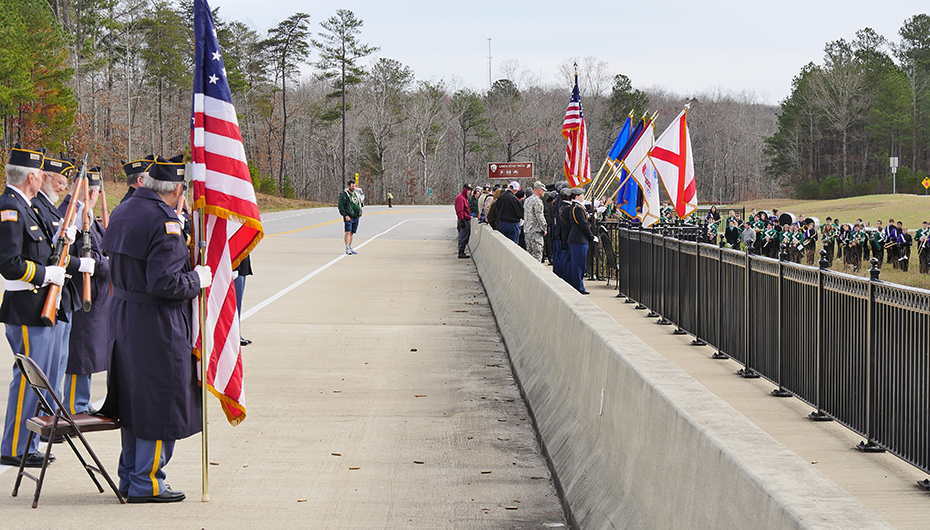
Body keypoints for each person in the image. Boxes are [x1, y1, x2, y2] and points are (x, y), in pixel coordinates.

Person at [100, 154, 211, 503]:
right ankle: (147, 481)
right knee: (160, 401)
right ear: (178, 189)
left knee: (135, 400)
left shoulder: (124, 209)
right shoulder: (163, 221)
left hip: (124, 317)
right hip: (156, 323)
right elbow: (165, 283)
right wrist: (198, 278)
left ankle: (131, 476)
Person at [0, 146, 82, 468]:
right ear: (33, 176)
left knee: (41, 379)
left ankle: (27, 443)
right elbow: (8, 264)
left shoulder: (27, 206)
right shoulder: (10, 208)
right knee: (28, 380)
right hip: (25, 306)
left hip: (40, 306)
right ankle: (14, 447)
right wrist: (47, 273)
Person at [59, 166, 110, 415]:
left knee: (89, 353)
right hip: (81, 296)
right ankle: (74, 406)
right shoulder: (74, 218)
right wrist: (105, 264)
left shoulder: (87, 216)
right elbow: (80, 253)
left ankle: (81, 401)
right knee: (81, 353)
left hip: (95, 296)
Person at [566, 188, 595, 294]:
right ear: (577, 196)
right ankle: (578, 287)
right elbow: (583, 224)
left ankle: (576, 285)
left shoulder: (577, 207)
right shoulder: (577, 208)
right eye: (582, 195)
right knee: (579, 264)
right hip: (579, 240)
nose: (583, 196)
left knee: (577, 264)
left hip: (578, 239)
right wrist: (591, 236)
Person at [523, 181, 547, 262]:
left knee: (529, 253)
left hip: (527, 230)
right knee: (537, 253)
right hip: (535, 231)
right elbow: (539, 216)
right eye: (543, 190)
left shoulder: (527, 200)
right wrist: (544, 228)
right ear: (539, 190)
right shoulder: (538, 201)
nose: (544, 192)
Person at [338, 181, 363, 255]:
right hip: (349, 216)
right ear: (348, 186)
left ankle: (350, 246)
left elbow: (359, 202)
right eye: (352, 186)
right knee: (348, 232)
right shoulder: (344, 195)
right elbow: (341, 206)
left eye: (354, 186)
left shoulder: (356, 194)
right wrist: (345, 215)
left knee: (352, 232)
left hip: (356, 216)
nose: (353, 187)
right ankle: (347, 248)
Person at [235, 255, 253, 345]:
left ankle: (237, 332)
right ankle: (234, 333)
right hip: (232, 257)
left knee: (238, 301)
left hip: (241, 256)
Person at [454, 183, 472, 259]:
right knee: (463, 236)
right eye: (468, 190)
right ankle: (461, 251)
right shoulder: (461, 198)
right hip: (463, 220)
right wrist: (461, 220)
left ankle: (462, 251)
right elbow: (460, 210)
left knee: (466, 236)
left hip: (466, 219)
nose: (469, 192)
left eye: (470, 190)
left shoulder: (465, 198)